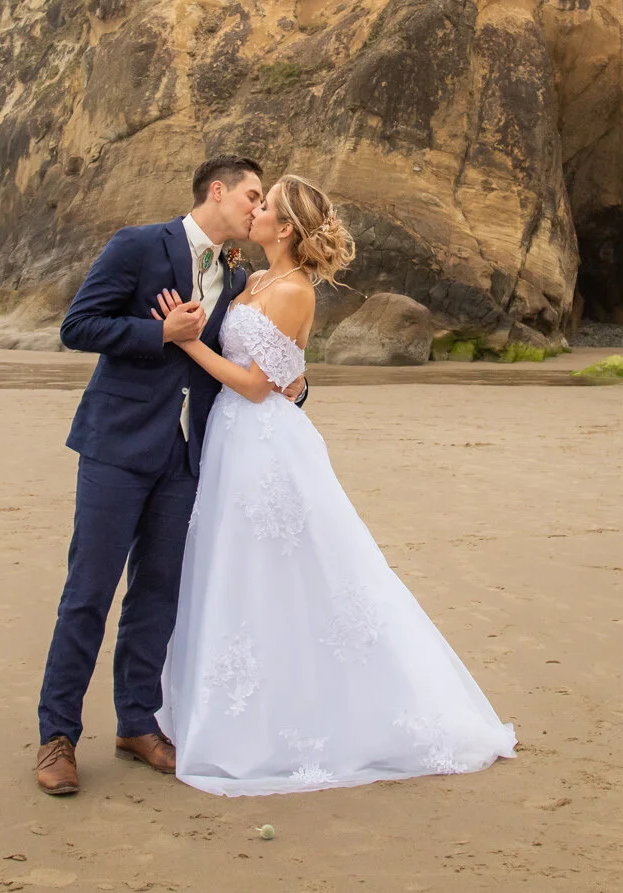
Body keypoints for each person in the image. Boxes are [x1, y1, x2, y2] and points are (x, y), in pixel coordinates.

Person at [153, 174, 516, 795]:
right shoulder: (253, 279)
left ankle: (295, 718)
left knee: (287, 569)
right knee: (234, 566)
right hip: (232, 442)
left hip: (261, 441)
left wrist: (186, 344)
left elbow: (256, 383)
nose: (255, 211)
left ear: (286, 228)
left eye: (264, 206)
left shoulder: (292, 289)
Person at [33, 155, 306, 796]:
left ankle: (136, 723)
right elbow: (77, 327)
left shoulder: (238, 274)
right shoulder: (137, 245)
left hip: (186, 456)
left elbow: (247, 356)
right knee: (89, 592)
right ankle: (56, 738)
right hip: (116, 446)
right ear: (218, 191)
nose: (256, 206)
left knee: (158, 594)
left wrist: (293, 389)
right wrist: (159, 331)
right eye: (252, 195)